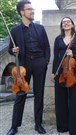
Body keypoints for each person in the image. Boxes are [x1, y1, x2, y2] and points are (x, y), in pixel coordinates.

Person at [7, 1, 50, 135]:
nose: (32, 11)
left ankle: (38, 124)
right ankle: (14, 126)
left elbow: (47, 47)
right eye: (29, 9)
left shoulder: (40, 28)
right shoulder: (15, 30)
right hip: (24, 65)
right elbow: (10, 50)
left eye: (32, 8)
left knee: (39, 94)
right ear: (22, 12)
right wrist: (14, 50)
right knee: (20, 94)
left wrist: (45, 61)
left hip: (39, 63)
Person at [51, 17, 76, 135]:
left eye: (68, 22)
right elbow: (55, 57)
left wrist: (73, 54)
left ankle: (75, 128)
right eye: (63, 22)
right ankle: (63, 126)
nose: (66, 23)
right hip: (60, 72)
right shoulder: (58, 39)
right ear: (61, 26)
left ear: (72, 25)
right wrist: (54, 72)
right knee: (60, 99)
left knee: (74, 99)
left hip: (72, 72)